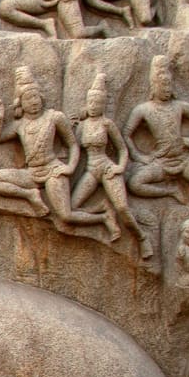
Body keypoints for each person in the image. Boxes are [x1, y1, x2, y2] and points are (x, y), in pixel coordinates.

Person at [0, 65, 112, 234]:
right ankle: (30, 195)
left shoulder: (54, 117)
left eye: (36, 97)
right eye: (28, 99)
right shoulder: (20, 124)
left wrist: (70, 167)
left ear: (41, 98)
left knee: (66, 216)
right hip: (32, 173)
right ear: (20, 103)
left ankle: (103, 218)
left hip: (53, 171)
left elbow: (72, 144)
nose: (34, 102)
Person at [124, 55, 189, 214]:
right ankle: (171, 191)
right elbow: (127, 134)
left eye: (169, 85)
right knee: (135, 184)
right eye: (162, 85)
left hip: (184, 160)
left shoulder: (182, 107)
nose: (166, 89)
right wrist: (139, 156)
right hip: (161, 162)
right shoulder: (143, 110)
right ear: (153, 86)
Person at [72, 73, 151, 256]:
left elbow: (122, 149)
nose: (93, 106)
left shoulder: (107, 124)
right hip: (91, 170)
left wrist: (120, 167)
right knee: (73, 207)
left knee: (122, 208)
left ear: (103, 105)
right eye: (91, 103)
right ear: (87, 103)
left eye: (97, 104)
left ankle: (142, 238)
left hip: (107, 168)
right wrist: (71, 128)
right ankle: (103, 212)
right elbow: (74, 150)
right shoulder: (83, 126)